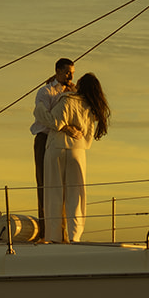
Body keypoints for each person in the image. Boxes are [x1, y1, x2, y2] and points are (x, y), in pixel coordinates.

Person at [42, 72, 110, 242]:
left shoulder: (67, 100)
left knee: (54, 193)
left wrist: (39, 110)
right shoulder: (90, 107)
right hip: (78, 151)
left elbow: (56, 122)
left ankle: (55, 236)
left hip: (57, 148)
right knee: (76, 195)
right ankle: (75, 236)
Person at [30, 58, 74, 230]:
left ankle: (62, 229)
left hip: (62, 141)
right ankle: (45, 229)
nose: (70, 76)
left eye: (72, 72)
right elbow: (45, 117)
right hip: (45, 138)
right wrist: (65, 127)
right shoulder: (46, 91)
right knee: (44, 183)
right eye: (67, 72)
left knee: (63, 184)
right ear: (57, 71)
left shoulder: (73, 92)